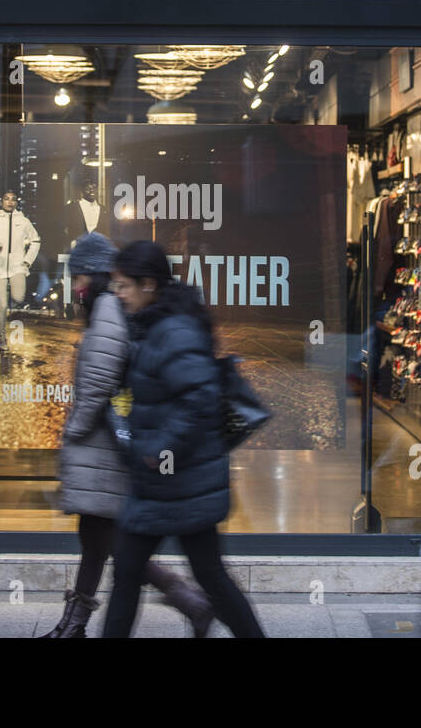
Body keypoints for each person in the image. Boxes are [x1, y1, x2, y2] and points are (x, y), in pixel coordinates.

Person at [41, 233, 212, 638]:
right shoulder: (109, 306)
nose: (76, 286)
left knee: (113, 539)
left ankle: (187, 599)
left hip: (103, 443)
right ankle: (75, 623)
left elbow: (100, 376)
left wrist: (75, 428)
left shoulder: (104, 307)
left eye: (80, 275)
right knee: (99, 535)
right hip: (107, 443)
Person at [100, 241, 265, 638]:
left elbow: (200, 400)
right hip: (171, 482)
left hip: (176, 479)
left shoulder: (173, 330)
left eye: (123, 285)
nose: (117, 294)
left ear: (148, 284)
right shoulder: (159, 324)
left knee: (154, 574)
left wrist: (158, 452)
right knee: (148, 572)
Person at [0, 190, 40, 352]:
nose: (10, 202)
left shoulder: (24, 221)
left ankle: (7, 314)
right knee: (3, 304)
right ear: (1, 202)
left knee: (18, 297)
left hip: (18, 267)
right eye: (6, 199)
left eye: (13, 199)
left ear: (16, 202)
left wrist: (27, 261)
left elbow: (36, 241)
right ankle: (2, 339)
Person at [65, 178, 109, 247]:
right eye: (88, 188)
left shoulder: (104, 209)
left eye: (94, 188)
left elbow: (107, 231)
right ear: (82, 191)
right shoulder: (72, 207)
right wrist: (71, 242)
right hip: (77, 249)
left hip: (98, 249)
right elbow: (64, 229)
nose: (92, 190)